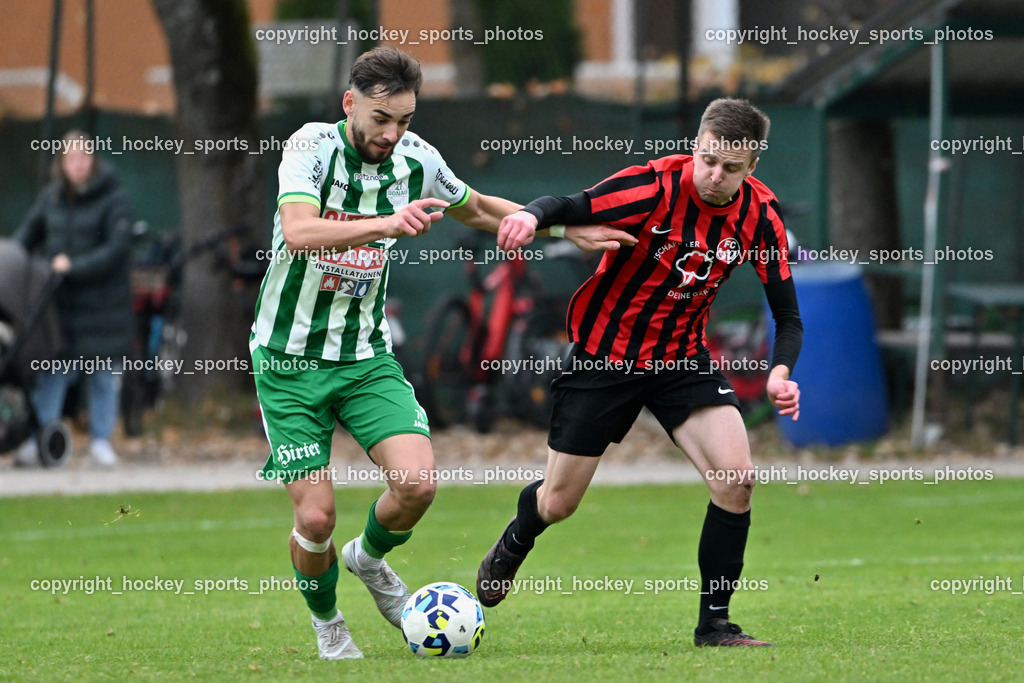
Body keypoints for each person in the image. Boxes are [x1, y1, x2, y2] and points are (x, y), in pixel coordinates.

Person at [250, 46, 630, 660]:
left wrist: (561, 227)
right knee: (315, 519)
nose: (392, 133)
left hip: (363, 358)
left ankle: (368, 558)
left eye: (404, 120)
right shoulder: (310, 147)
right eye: (380, 119)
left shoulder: (417, 159)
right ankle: (328, 623)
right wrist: (386, 224)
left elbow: (476, 207)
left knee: (418, 486)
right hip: (288, 361)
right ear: (350, 104)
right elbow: (298, 230)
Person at [478, 98, 803, 647]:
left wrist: (780, 373)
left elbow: (787, 316)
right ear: (695, 147)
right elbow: (568, 204)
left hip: (681, 359)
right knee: (558, 503)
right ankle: (517, 537)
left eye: (730, 168)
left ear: (752, 167)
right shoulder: (651, 186)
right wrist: (529, 216)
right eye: (707, 160)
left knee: (737, 480)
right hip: (606, 355)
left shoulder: (760, 216)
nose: (714, 175)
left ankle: (714, 624)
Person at [15, 130, 134, 468]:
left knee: (103, 373)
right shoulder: (50, 198)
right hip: (61, 306)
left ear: (93, 160)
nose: (78, 164)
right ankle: (40, 438)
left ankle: (101, 442)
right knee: (53, 371)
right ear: (62, 163)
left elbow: (116, 250)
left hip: (104, 306)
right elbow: (26, 236)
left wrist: (74, 267)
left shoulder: (115, 199)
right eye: (71, 158)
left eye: (84, 157)